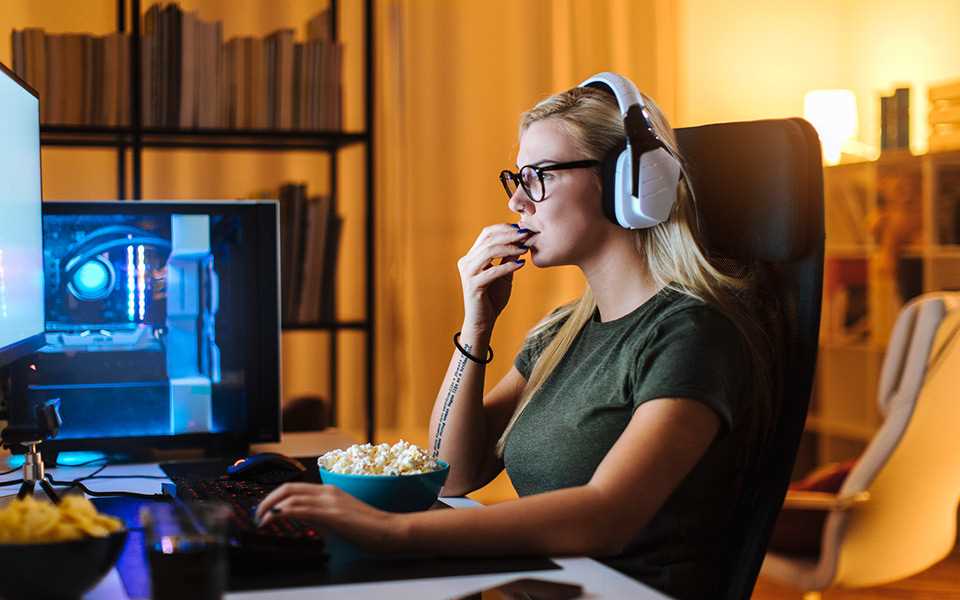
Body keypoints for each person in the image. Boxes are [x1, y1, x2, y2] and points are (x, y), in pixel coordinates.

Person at [256, 73, 776, 599]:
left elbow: (607, 514)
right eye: (517, 179)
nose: (517, 204)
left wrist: (395, 533)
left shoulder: (693, 334)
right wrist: (476, 325)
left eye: (538, 176)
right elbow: (453, 473)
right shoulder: (561, 331)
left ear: (629, 183)